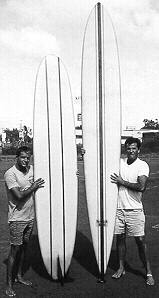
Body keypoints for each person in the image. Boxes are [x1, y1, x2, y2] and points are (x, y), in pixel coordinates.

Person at [110, 137, 155, 286]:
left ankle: (148, 272)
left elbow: (141, 186)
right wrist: (86, 154)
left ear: (138, 150)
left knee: (140, 242)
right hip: (118, 210)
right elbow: (102, 161)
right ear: (125, 149)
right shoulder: (120, 163)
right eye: (128, 148)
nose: (131, 151)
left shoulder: (142, 165)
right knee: (120, 240)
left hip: (134, 210)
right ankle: (121, 267)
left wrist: (122, 182)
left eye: (134, 148)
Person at [4, 146, 45, 297]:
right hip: (17, 219)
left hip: (30, 217)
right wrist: (33, 187)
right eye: (22, 157)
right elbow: (18, 196)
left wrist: (74, 173)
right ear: (17, 157)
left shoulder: (32, 169)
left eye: (28, 158)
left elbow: (50, 176)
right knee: (15, 250)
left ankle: (19, 276)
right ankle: (8, 284)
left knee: (24, 248)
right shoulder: (10, 174)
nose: (25, 160)